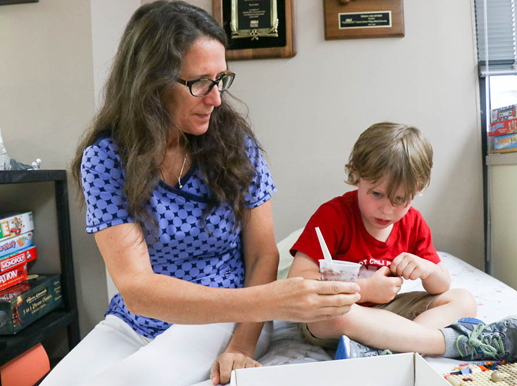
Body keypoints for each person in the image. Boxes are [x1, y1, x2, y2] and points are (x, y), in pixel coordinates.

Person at [40, 2, 360, 386]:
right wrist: (275, 300)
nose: (216, 98)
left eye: (221, 79)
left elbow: (262, 253)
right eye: (199, 83)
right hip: (135, 320)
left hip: (229, 318)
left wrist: (241, 345)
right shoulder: (106, 159)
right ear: (150, 83)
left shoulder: (235, 144)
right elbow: (138, 290)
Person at [287, 122, 517, 361]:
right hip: (341, 314)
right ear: (356, 173)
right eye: (376, 194)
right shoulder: (333, 216)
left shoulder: (413, 222)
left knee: (463, 300)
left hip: (390, 314)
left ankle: (386, 349)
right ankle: (446, 343)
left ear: (417, 191)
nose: (387, 210)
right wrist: (364, 290)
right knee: (332, 317)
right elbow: (297, 283)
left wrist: (427, 269)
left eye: (401, 200)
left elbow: (441, 284)